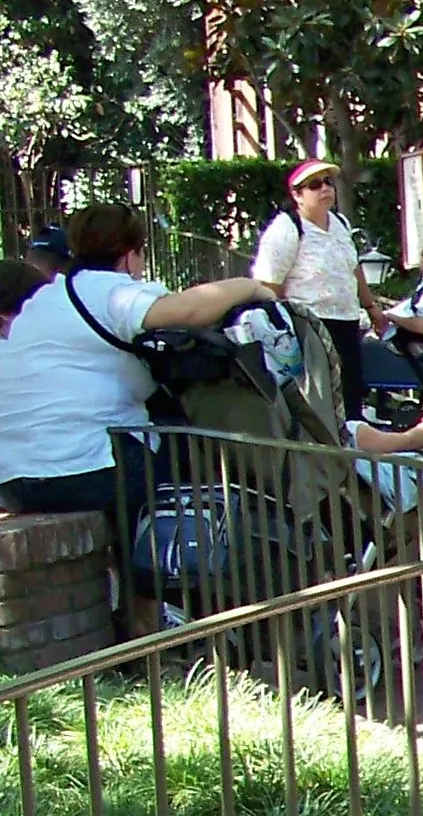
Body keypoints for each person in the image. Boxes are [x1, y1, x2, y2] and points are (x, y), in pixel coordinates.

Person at [0, 203, 277, 616]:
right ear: (130, 254)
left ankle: (139, 603)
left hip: (16, 479)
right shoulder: (109, 291)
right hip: (77, 470)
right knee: (188, 464)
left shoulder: (45, 300)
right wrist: (254, 287)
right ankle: (156, 605)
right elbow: (189, 310)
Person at [252, 158, 379, 415]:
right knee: (321, 398)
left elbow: (353, 268)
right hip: (309, 325)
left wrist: (371, 307)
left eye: (328, 182)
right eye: (315, 184)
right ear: (297, 194)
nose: (325, 189)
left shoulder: (340, 224)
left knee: (350, 393)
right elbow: (268, 285)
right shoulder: (287, 229)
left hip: (347, 321)